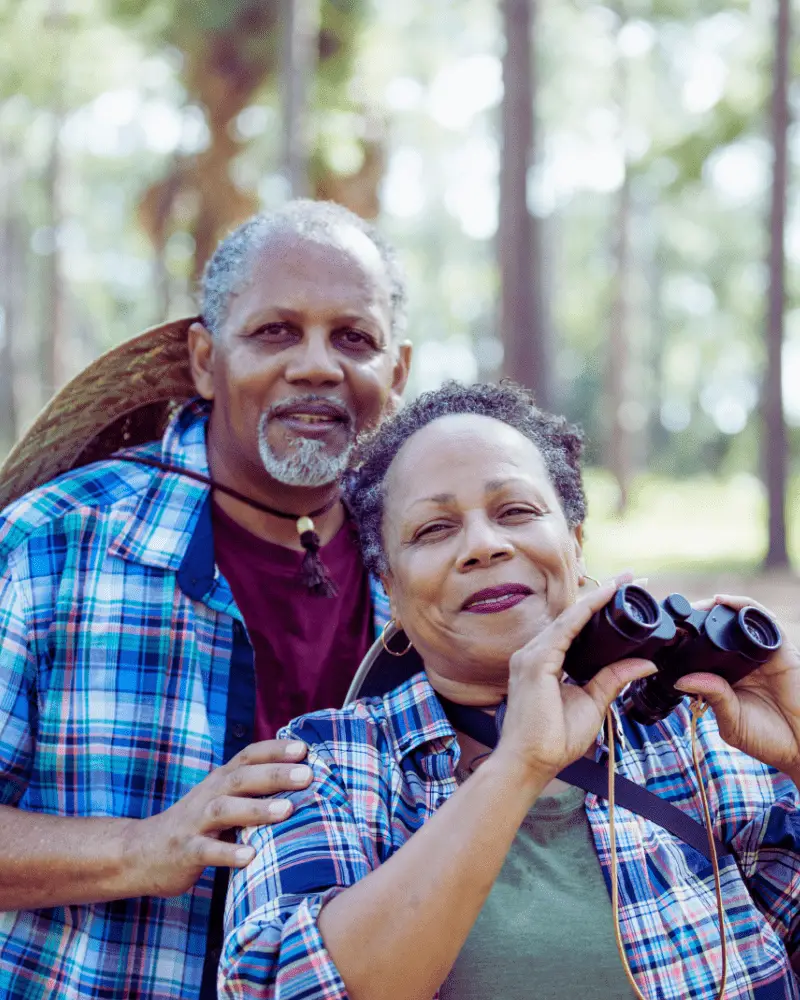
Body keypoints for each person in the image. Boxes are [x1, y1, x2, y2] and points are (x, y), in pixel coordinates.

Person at [219, 380, 800, 1000]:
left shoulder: (694, 734)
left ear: (575, 545)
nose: (484, 545)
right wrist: (518, 766)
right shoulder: (328, 767)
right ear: (389, 584)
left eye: (516, 512)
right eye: (434, 529)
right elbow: (280, 985)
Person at [0, 199, 412, 999]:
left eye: (353, 338)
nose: (319, 366)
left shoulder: (428, 572)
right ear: (203, 359)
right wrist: (143, 847)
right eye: (275, 331)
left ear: (394, 376)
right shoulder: (50, 544)